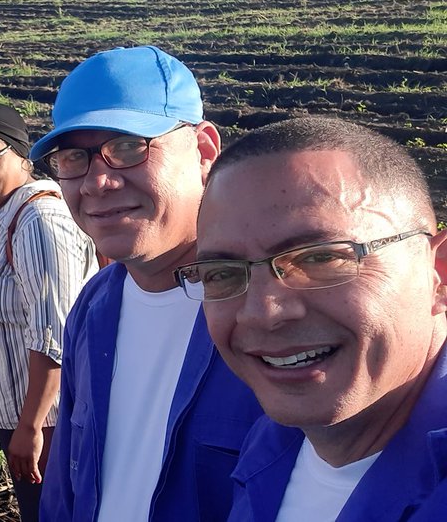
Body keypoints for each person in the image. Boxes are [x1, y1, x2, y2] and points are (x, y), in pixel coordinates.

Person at [27, 45, 263, 522]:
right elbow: (66, 483)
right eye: (75, 157)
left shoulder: (271, 309)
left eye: (129, 147)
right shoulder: (95, 305)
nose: (97, 182)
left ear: (203, 151)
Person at [176, 117, 447, 521]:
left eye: (320, 257)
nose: (263, 312)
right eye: (223, 273)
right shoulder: (271, 443)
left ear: (438, 274)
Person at [0, 103, 98, 521]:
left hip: (47, 420)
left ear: (22, 156)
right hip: (16, 412)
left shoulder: (39, 219)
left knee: (54, 513)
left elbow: (54, 332)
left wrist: (30, 426)